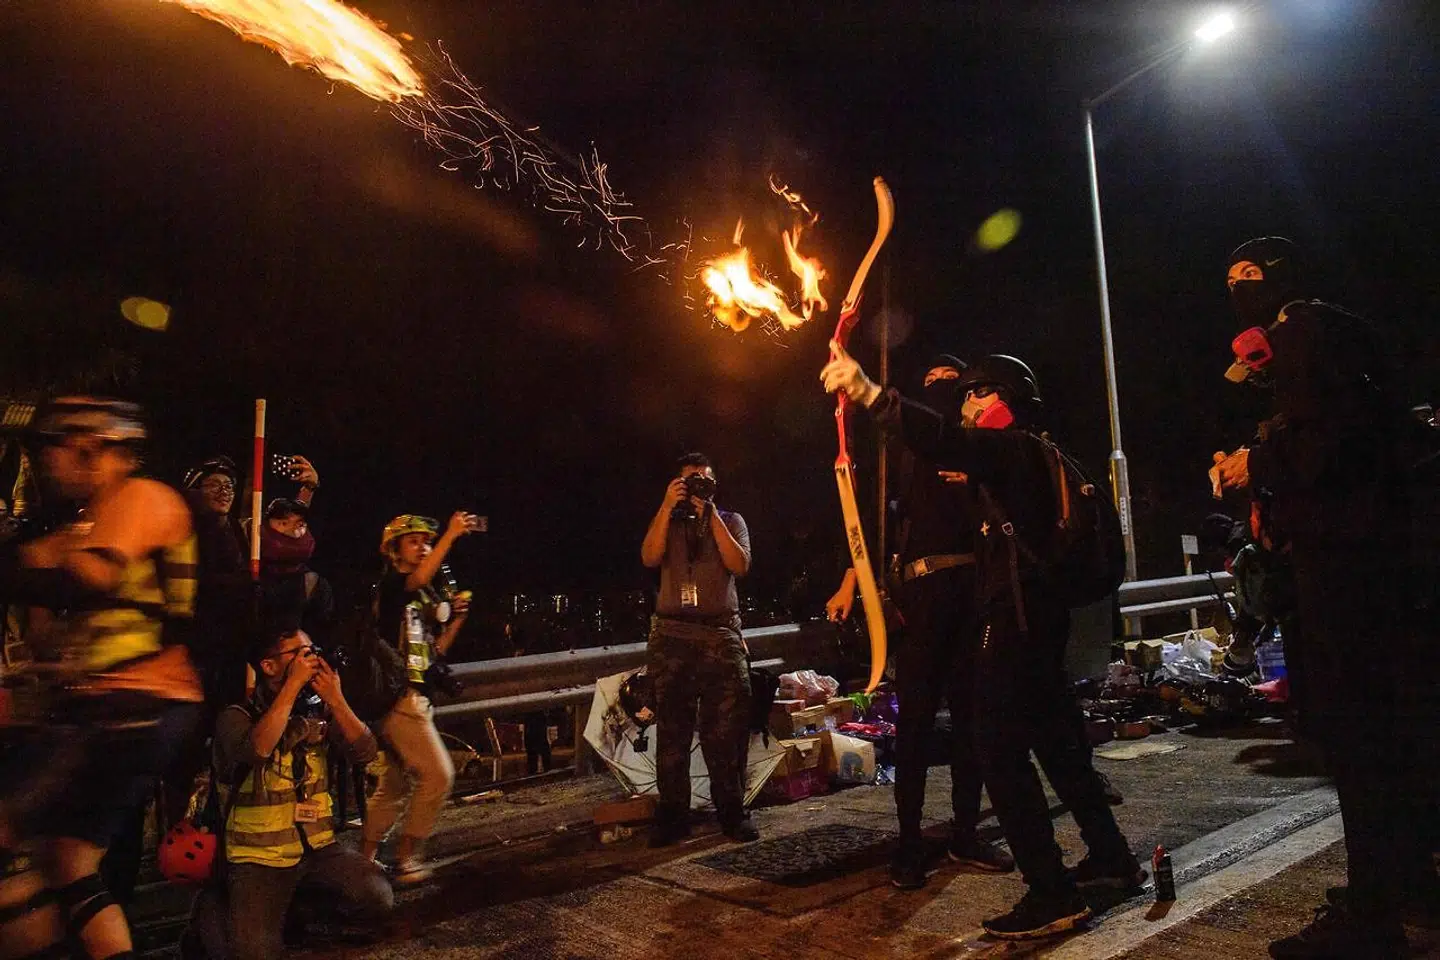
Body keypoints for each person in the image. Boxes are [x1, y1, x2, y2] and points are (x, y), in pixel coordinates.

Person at [822, 349, 1142, 941]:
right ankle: (1111, 856)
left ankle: (1050, 890)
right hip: (1041, 617)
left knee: (997, 748)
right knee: (1057, 744)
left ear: (1005, 399)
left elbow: (943, 438)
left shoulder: (1011, 447)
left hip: (1014, 617)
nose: (965, 405)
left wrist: (870, 393)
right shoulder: (1036, 454)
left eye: (975, 393)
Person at [1211, 237, 1437, 958]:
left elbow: (1327, 449)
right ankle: (1402, 883)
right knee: (1386, 738)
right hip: (1375, 568)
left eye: (1250, 276)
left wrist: (1255, 463)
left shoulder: (1305, 331)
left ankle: (1373, 918)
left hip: (1348, 574)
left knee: (1358, 742)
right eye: (1230, 280)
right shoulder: (1338, 338)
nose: (1237, 289)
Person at [0, 397, 204, 960]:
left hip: (130, 705)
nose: (47, 467)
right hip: (122, 707)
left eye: (54, 451)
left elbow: (88, 578)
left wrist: (25, 562)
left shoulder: (141, 497)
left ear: (93, 447)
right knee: (69, 861)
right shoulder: (92, 518)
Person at [826, 355, 1013, 888]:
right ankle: (909, 843)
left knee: (972, 721)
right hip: (920, 596)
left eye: (951, 382)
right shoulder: (903, 448)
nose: (939, 387)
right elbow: (872, 519)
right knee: (914, 724)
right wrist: (852, 580)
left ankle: (964, 832)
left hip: (972, 591)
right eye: (929, 381)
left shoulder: (973, 444)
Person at [186, 627, 392, 960]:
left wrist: (337, 699)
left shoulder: (319, 710)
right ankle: (216, 909)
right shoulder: (236, 716)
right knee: (254, 954)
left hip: (317, 850)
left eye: (313, 651)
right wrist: (292, 686)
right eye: (300, 654)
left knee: (375, 895)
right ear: (268, 666)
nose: (311, 660)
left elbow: (365, 751)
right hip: (257, 859)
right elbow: (258, 749)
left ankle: (295, 916)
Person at [640, 453, 758, 846]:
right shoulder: (668, 520)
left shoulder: (731, 520)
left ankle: (733, 815)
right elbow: (649, 556)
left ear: (715, 487)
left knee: (724, 734)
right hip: (672, 636)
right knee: (672, 734)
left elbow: (740, 565)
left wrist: (710, 514)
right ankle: (673, 818)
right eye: (689, 481)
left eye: (703, 481)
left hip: (719, 635)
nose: (696, 488)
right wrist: (666, 505)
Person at [360, 513, 475, 884]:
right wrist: (451, 534)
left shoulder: (423, 597)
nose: (423, 547)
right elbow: (420, 578)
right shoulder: (394, 585)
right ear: (394, 550)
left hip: (415, 696)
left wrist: (456, 621)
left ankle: (364, 862)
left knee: (394, 785)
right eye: (414, 541)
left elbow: (434, 652)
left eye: (427, 541)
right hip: (399, 698)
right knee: (439, 775)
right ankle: (406, 858)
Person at [257, 497, 332, 648]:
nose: (293, 531)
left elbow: (322, 636)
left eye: (300, 525)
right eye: (283, 523)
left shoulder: (314, 585)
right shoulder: (247, 568)